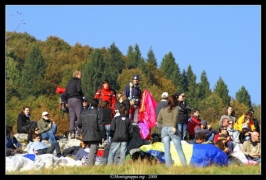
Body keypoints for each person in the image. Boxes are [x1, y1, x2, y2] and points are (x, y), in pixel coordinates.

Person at [157, 95, 187, 167]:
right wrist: (173, 126)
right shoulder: (176, 108)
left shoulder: (163, 109)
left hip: (164, 129)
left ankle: (168, 166)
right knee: (179, 149)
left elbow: (158, 120)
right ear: (175, 101)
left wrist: (164, 123)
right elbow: (175, 117)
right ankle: (185, 166)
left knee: (166, 150)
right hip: (172, 128)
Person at [77, 98, 106, 166]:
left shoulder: (84, 113)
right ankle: (89, 167)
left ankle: (90, 164)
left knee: (91, 151)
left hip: (86, 135)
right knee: (93, 151)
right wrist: (103, 135)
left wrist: (85, 128)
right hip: (95, 135)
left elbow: (79, 124)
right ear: (97, 104)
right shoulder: (99, 113)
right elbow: (101, 125)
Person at [65, 70, 84, 139]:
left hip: (69, 100)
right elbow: (79, 90)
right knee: (79, 116)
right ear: (76, 75)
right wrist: (82, 95)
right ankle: (79, 132)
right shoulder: (78, 81)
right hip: (76, 99)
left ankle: (71, 132)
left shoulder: (69, 82)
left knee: (72, 117)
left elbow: (66, 92)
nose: (81, 76)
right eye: (80, 74)